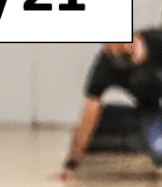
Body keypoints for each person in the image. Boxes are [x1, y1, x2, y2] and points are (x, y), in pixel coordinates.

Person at [59, 29, 162, 178]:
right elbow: (88, 115)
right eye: (110, 46)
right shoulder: (105, 66)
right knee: (159, 152)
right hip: (150, 107)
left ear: (134, 36)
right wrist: (71, 165)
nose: (115, 50)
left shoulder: (157, 40)